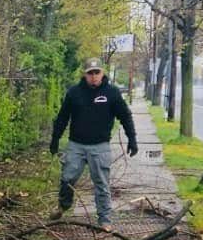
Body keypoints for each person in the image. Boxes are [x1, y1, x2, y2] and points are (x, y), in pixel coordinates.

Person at [49, 58, 138, 230]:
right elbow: (62, 118)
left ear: (102, 73)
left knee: (101, 184)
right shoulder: (74, 93)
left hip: (100, 146)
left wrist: (132, 139)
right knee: (67, 178)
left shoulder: (112, 93)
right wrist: (55, 139)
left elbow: (125, 116)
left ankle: (104, 219)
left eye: (97, 72)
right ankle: (63, 206)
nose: (94, 76)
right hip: (76, 145)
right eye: (90, 73)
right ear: (85, 75)